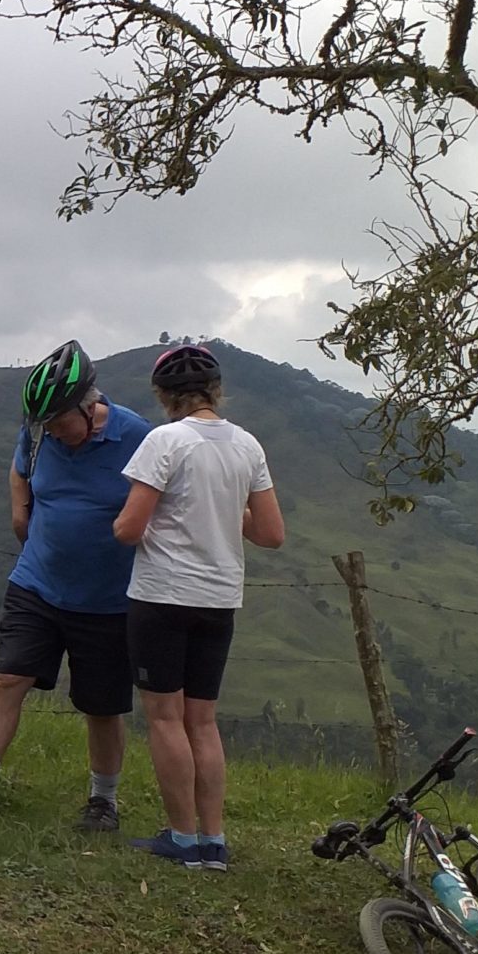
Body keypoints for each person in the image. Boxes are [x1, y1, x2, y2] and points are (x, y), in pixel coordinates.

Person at [0, 341, 151, 831]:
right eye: (44, 423)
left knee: (102, 705)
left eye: (60, 422)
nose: (52, 431)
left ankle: (102, 802)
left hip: (108, 600)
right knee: (8, 678)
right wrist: (19, 511)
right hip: (37, 583)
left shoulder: (137, 437)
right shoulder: (38, 435)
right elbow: (19, 468)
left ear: (90, 407)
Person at [113, 342, 287, 872]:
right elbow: (272, 534)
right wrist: (222, 517)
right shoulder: (247, 446)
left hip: (162, 595)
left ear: (165, 397)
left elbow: (130, 529)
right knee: (202, 722)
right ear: (215, 391)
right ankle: (214, 841)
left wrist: (117, 524)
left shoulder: (164, 441)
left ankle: (182, 839)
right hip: (219, 598)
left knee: (165, 717)